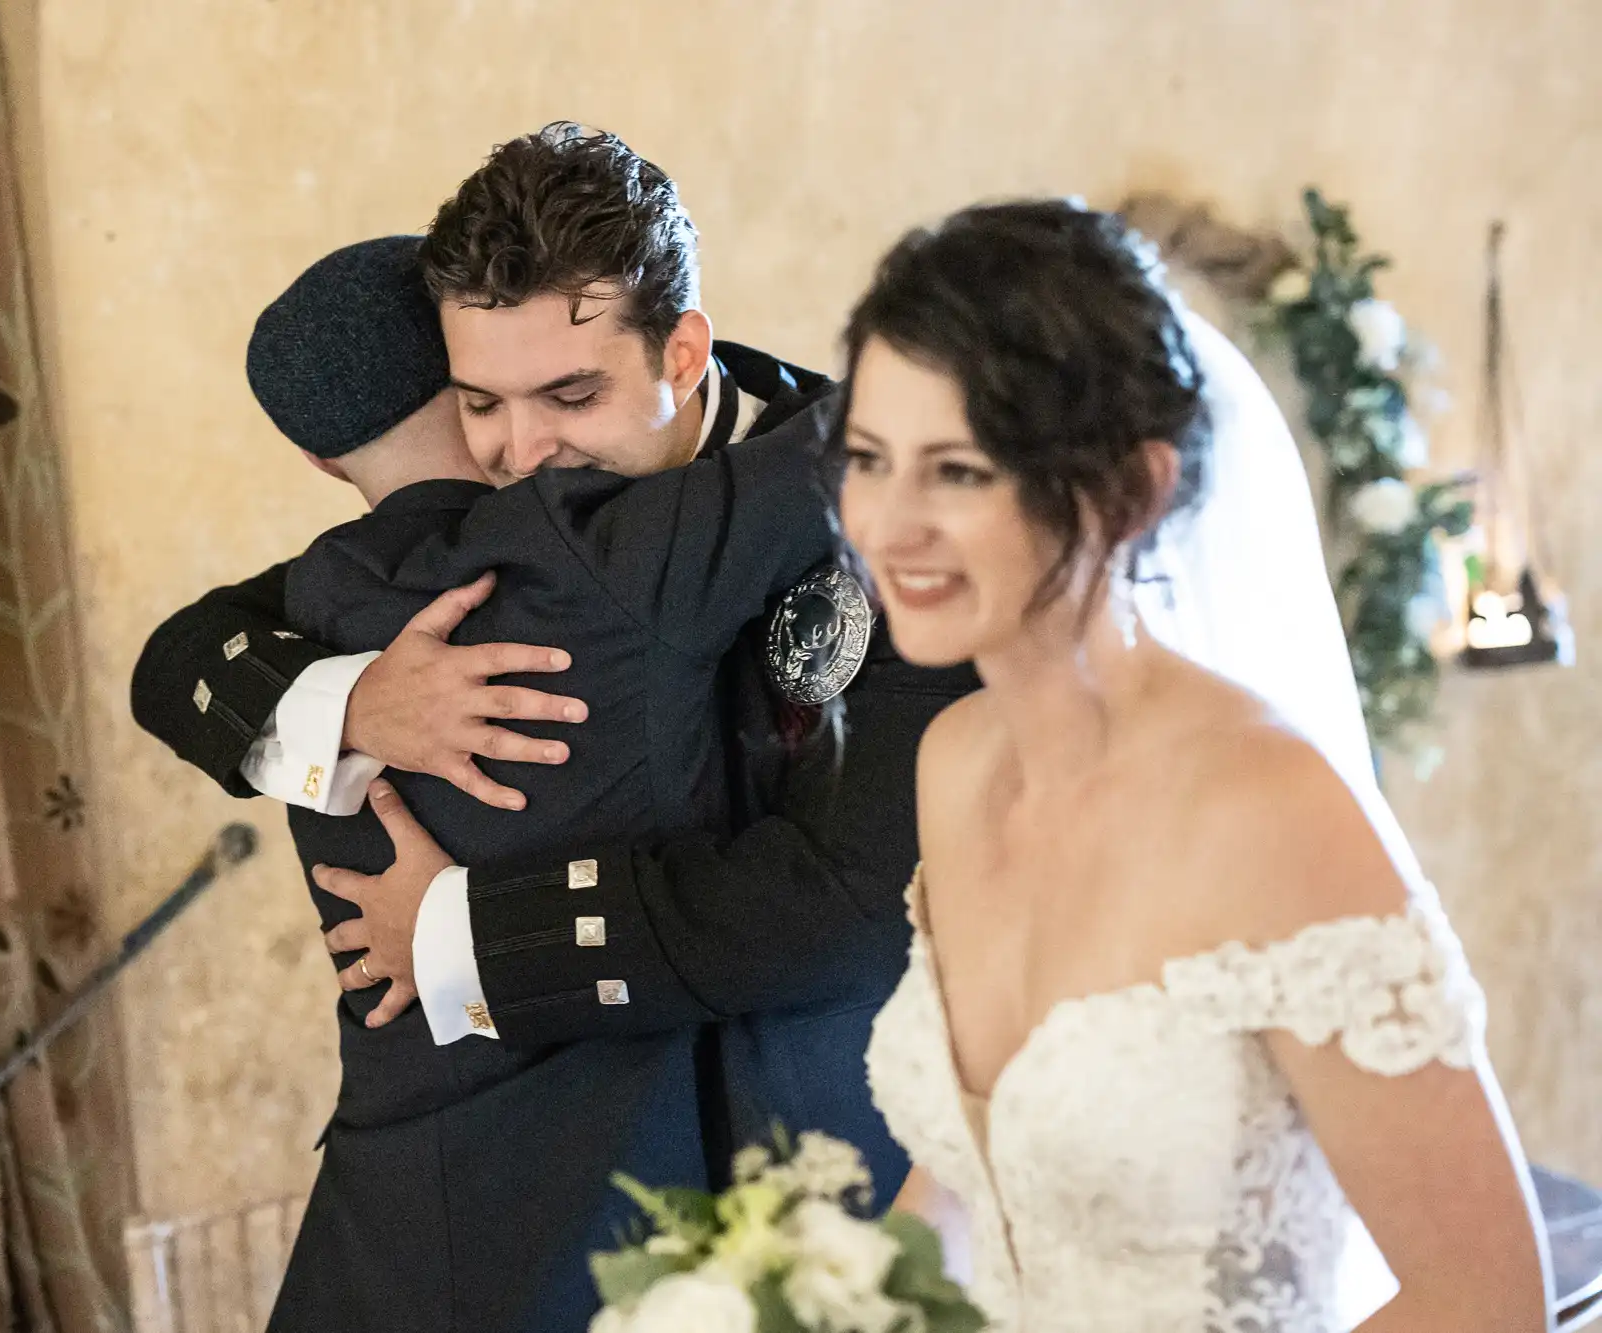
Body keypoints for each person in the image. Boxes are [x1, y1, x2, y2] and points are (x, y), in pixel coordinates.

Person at [131, 123, 976, 1268]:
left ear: (682, 353)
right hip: (562, 1191)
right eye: (479, 402)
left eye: (569, 394)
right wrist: (353, 705)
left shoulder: (878, 494)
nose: (520, 451)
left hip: (825, 1171)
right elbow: (189, 654)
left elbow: (857, 903)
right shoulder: (510, 522)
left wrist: (468, 934)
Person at [848, 201, 1551, 1331]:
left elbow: (1488, 1300)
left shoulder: (1271, 810)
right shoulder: (952, 764)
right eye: (869, 461)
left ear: (1129, 492)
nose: (886, 524)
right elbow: (978, 1179)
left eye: (958, 471)